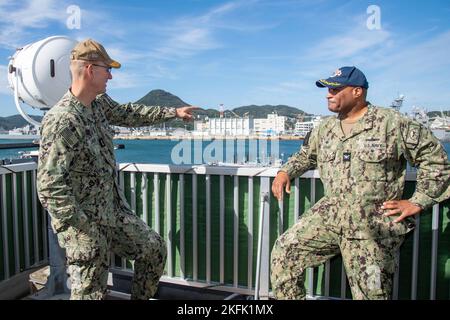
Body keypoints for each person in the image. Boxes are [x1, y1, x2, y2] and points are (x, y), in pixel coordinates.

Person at [37, 39, 197, 300]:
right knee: (90, 294)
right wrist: (82, 231)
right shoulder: (62, 120)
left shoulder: (99, 104)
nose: (110, 75)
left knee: (153, 249)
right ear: (90, 69)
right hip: (84, 226)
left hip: (112, 214)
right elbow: (49, 188)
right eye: (107, 69)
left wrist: (174, 112)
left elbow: (130, 113)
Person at [270, 66, 449, 300]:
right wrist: (285, 171)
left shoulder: (391, 123)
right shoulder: (325, 128)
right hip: (331, 215)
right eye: (327, 89)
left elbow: (436, 161)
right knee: (284, 253)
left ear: (357, 92)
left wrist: (417, 201)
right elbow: (306, 156)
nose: (328, 94)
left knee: (371, 293)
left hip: (372, 225)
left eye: (335, 89)